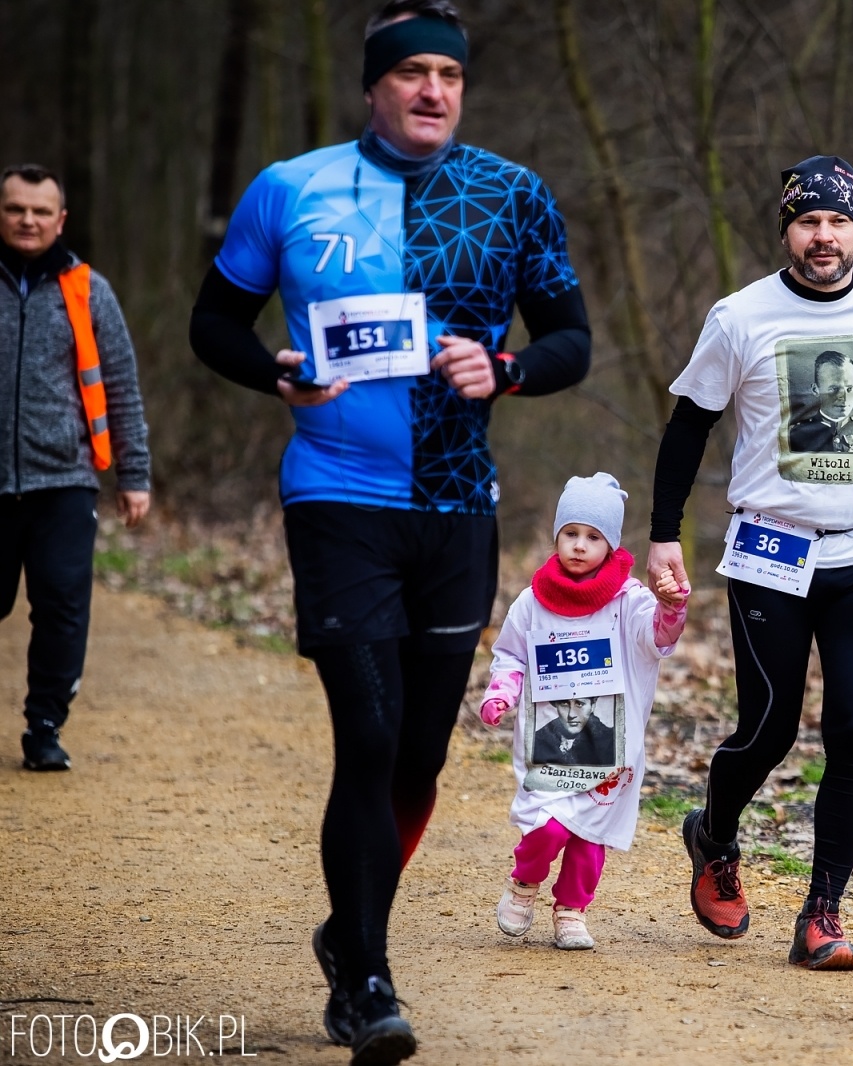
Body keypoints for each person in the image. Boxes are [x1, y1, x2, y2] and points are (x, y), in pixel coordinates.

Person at [186, 1, 590, 1061]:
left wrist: (505, 367)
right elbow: (213, 321)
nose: (432, 91)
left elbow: (571, 341)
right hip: (337, 496)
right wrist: (273, 371)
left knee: (417, 757)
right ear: (373, 85)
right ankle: (366, 979)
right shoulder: (292, 187)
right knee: (366, 736)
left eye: (448, 76)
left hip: (456, 510)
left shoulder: (512, 194)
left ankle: (345, 926)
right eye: (411, 73)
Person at [649, 154, 853, 970]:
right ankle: (714, 835)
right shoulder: (739, 317)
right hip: (770, 550)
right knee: (766, 731)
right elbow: (689, 425)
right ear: (786, 231)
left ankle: (822, 914)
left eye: (837, 221)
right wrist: (663, 533)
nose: (823, 236)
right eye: (808, 221)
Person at [479, 473, 688, 951]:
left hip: (609, 742)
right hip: (551, 741)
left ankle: (572, 909)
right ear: (556, 535)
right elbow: (511, 654)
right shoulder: (532, 602)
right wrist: (501, 693)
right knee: (548, 828)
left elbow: (656, 639)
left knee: (590, 837)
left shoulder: (629, 600)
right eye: (571, 533)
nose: (579, 545)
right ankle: (524, 882)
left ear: (611, 544)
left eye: (593, 536)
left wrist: (671, 607)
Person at [1, 163, 150, 773]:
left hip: (64, 481)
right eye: (15, 209)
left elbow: (121, 387)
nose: (27, 220)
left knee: (62, 609)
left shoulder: (89, 291)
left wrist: (134, 475)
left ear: (60, 220)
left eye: (41, 211)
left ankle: (44, 727)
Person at [787, 350, 853, 453]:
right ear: (816, 390)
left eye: (850, 389)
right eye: (834, 389)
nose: (844, 397)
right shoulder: (797, 433)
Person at [531, 697, 617, 766]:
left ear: (593, 706)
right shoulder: (537, 741)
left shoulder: (611, 742)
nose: (571, 715)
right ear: (556, 705)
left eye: (579, 704)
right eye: (564, 703)